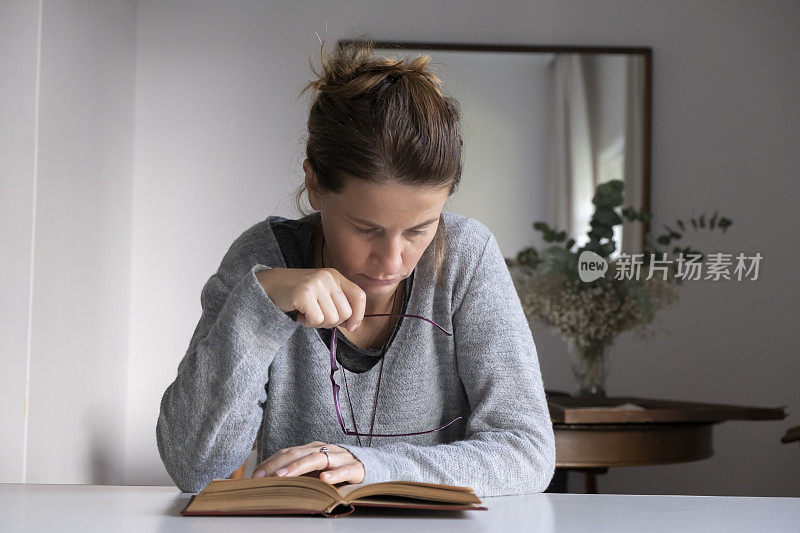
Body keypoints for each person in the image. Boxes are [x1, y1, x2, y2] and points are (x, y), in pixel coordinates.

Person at [156, 40, 555, 497]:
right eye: (366, 228)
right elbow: (194, 468)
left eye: (419, 230)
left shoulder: (466, 257)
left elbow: (527, 453)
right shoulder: (259, 261)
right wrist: (256, 312)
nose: (392, 261)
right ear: (315, 184)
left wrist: (371, 468)